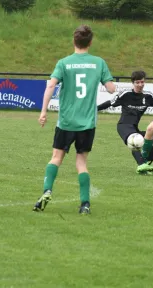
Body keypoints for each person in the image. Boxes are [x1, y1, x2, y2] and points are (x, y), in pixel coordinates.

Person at [33, 25, 116, 215]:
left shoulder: (64, 63)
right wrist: (110, 85)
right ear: (91, 42)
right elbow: (111, 88)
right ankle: (85, 204)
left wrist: (43, 111)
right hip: (87, 123)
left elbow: (51, 86)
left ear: (74, 41)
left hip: (66, 121)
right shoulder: (98, 63)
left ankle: (47, 191)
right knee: (81, 163)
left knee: (56, 157)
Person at [97, 70, 153, 175]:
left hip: (135, 128)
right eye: (137, 82)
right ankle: (141, 165)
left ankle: (146, 164)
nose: (140, 85)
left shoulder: (148, 96)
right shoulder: (126, 94)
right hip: (123, 126)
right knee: (135, 140)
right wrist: (93, 109)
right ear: (133, 83)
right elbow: (109, 103)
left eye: (142, 82)